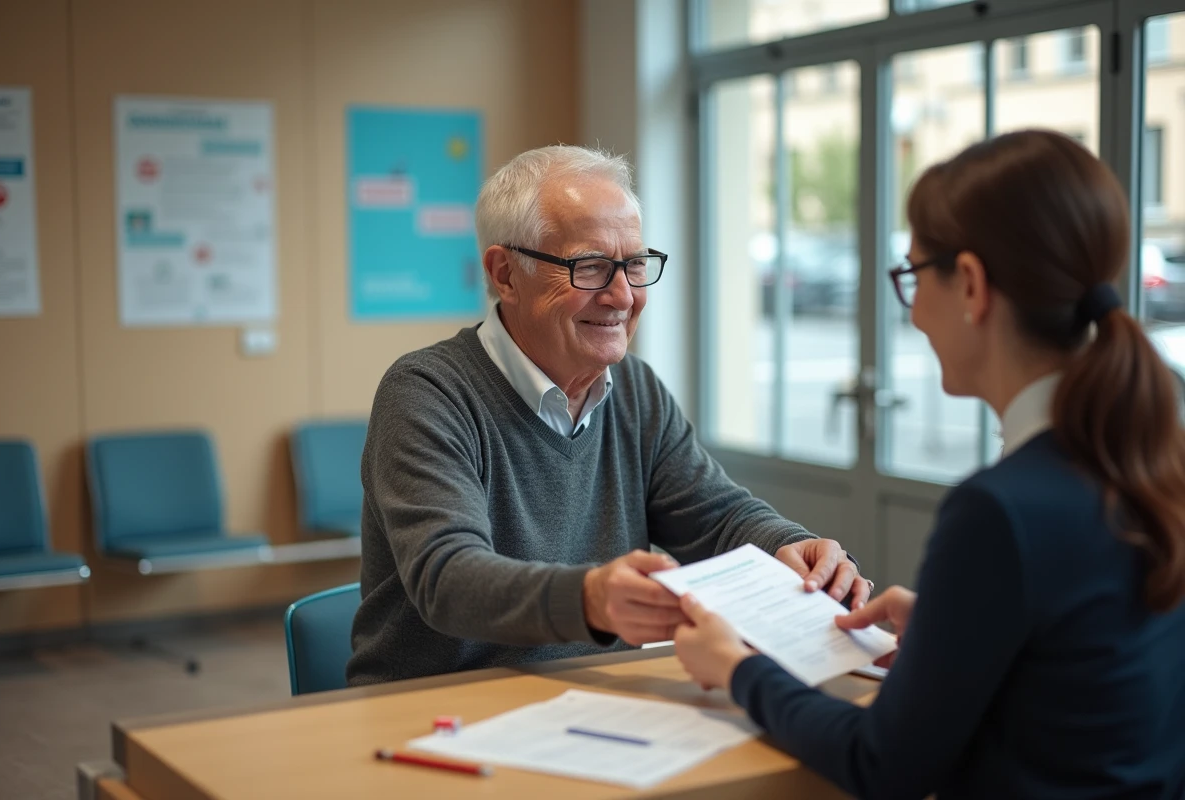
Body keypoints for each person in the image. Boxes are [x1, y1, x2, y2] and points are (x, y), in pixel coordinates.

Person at [673, 129, 1185, 799]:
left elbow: (881, 764)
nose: (911, 314)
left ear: (970, 284)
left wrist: (738, 668)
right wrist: (958, 631)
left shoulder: (1001, 510)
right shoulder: (1149, 462)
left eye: (912, 275)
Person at [347, 145, 869, 686]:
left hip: (596, 697)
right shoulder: (428, 394)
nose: (623, 296)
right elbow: (448, 579)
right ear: (505, 274)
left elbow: (716, 517)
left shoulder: (636, 391)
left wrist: (790, 546)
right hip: (434, 710)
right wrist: (591, 598)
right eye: (591, 266)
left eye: (636, 265)